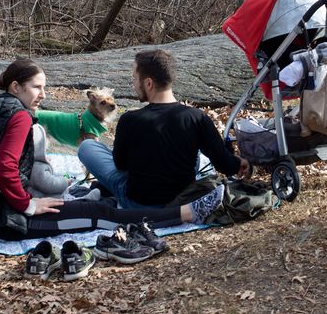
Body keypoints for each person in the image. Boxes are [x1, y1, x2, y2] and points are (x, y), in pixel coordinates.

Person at [0, 59, 224, 241]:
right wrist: (26, 205)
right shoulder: (18, 116)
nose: (43, 95)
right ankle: (184, 214)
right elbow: (4, 170)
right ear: (15, 87)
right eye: (36, 87)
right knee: (98, 214)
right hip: (4, 221)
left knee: (97, 204)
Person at [78, 49, 249, 208]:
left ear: (149, 83)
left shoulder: (129, 120)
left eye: (135, 79)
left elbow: (120, 165)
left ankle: (106, 190)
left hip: (137, 202)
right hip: (182, 199)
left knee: (87, 147)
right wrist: (239, 164)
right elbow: (224, 163)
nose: (134, 84)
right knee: (192, 146)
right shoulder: (197, 117)